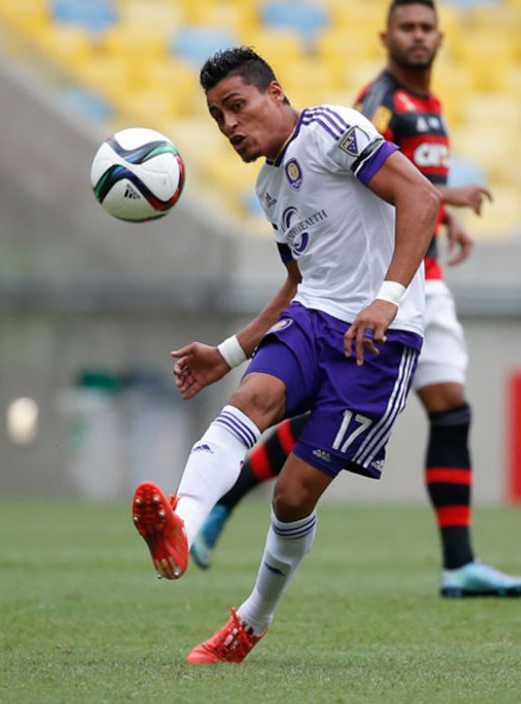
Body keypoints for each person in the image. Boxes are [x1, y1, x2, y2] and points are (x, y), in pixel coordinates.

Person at [190, 0, 521, 600]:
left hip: (402, 291)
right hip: (373, 294)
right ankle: (213, 505)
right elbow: (368, 182)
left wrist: (437, 215)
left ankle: (457, 561)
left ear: (441, 37)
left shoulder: (431, 107)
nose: (419, 36)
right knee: (308, 409)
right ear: (386, 36)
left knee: (442, 410)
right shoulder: (373, 106)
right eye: (407, 27)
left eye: (428, 26)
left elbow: (409, 190)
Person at [131, 45, 440, 663]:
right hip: (314, 319)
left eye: (237, 107)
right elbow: (299, 285)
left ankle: (250, 622)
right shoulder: (270, 185)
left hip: (381, 338)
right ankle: (180, 526)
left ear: (276, 94)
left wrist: (386, 298)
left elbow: (422, 199)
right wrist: (227, 352)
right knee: (252, 398)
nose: (230, 127)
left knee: (292, 496)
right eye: (218, 117)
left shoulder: (332, 130)